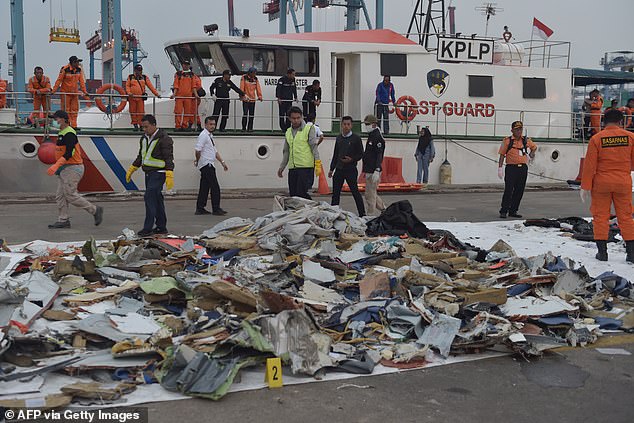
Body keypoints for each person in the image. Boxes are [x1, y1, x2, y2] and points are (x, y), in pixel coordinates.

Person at [580, 109, 634, 263]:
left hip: (601, 184)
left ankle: (602, 253)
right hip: (623, 182)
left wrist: (585, 186)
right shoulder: (631, 137)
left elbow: (590, 166)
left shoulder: (597, 139)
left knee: (600, 217)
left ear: (603, 122)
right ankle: (631, 254)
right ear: (621, 122)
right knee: (626, 217)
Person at [46, 110, 103, 229]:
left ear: (63, 119)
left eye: (56, 119)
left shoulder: (69, 133)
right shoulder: (62, 133)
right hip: (65, 168)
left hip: (73, 168)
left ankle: (95, 210)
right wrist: (59, 167)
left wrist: (56, 165)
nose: (54, 121)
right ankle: (63, 220)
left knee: (70, 195)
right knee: (60, 195)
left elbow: (69, 152)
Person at [126, 114, 174, 236]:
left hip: (159, 173)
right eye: (143, 127)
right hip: (149, 173)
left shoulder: (164, 138)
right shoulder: (144, 138)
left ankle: (147, 228)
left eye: (146, 127)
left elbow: (169, 157)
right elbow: (141, 156)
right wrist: (133, 168)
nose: (144, 129)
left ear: (154, 125)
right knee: (157, 199)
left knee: (149, 197)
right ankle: (161, 227)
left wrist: (169, 173)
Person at [277, 106, 320, 199]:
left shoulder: (309, 128)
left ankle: (313, 209)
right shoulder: (288, 132)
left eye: (298, 118)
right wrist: (282, 167)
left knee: (301, 193)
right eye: (293, 118)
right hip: (293, 168)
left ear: (302, 117)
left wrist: (318, 163)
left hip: (306, 167)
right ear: (289, 119)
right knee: (293, 194)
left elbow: (314, 146)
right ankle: (299, 212)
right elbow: (286, 151)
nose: (296, 120)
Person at [497, 121, 537, 218]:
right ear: (512, 130)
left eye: (520, 129)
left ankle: (513, 210)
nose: (519, 131)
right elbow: (502, 154)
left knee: (519, 190)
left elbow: (534, 147)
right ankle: (504, 211)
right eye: (517, 129)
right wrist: (500, 167)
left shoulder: (525, 140)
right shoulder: (507, 141)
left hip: (522, 168)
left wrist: (532, 154)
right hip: (511, 168)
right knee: (509, 190)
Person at [329, 116, 366, 217]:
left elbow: (361, 154)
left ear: (351, 125)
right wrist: (332, 168)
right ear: (341, 125)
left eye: (348, 124)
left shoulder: (356, 138)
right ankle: (333, 214)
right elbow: (335, 154)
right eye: (344, 124)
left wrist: (352, 159)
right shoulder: (339, 138)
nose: (346, 126)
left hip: (351, 170)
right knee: (335, 193)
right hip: (339, 169)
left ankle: (362, 214)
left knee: (355, 192)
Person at [195, 117, 229, 216]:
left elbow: (214, 151)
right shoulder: (204, 136)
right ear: (205, 125)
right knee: (215, 187)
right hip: (206, 164)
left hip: (208, 163)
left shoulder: (209, 136)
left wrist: (222, 162)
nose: (212, 126)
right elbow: (198, 150)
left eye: (214, 124)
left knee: (204, 187)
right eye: (210, 124)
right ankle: (216, 208)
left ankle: (200, 208)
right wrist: (198, 161)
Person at [52, 56, 89, 128]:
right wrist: (53, 91)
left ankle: (74, 126)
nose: (78, 63)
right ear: (73, 62)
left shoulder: (79, 69)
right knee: (66, 111)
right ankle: (67, 126)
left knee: (75, 110)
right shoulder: (65, 69)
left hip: (74, 93)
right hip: (65, 93)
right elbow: (59, 80)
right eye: (77, 62)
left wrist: (85, 91)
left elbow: (81, 81)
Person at [362, 114, 386, 216]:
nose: (366, 126)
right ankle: (385, 210)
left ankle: (370, 215)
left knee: (370, 195)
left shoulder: (377, 137)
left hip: (373, 170)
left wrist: (377, 169)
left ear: (373, 124)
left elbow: (379, 154)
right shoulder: (372, 135)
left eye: (368, 124)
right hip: (369, 169)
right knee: (371, 194)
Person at [125, 64, 160, 131]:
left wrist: (156, 94)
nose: (139, 72)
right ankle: (135, 124)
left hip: (140, 98)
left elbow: (151, 86)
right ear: (135, 70)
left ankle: (141, 125)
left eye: (140, 70)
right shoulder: (130, 77)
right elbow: (127, 86)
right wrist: (129, 93)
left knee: (141, 112)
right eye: (138, 70)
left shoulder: (144, 77)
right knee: (132, 111)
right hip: (132, 97)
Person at [170, 60, 196, 131]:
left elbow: (193, 86)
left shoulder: (191, 75)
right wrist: (174, 94)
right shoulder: (178, 74)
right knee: (178, 111)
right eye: (185, 64)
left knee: (187, 112)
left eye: (187, 64)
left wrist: (196, 95)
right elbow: (176, 85)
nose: (186, 66)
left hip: (188, 96)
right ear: (182, 65)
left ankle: (184, 125)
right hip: (179, 96)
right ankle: (178, 126)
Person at [240, 67, 262, 132]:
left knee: (251, 115)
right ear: (250, 73)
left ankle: (250, 128)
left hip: (252, 99)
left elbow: (258, 88)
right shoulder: (244, 77)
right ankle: (243, 128)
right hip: (246, 99)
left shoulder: (255, 79)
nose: (255, 74)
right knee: (245, 114)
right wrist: (242, 95)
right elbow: (241, 87)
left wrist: (260, 96)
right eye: (254, 73)